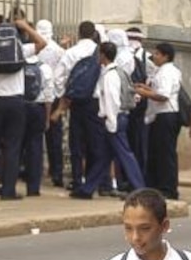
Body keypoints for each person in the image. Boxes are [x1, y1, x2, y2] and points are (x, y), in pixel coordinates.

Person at [0, 19, 46, 200]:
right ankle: (8, 190)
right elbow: (42, 43)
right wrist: (26, 26)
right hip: (16, 103)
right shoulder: (20, 49)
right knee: (13, 147)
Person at [70, 42, 144, 199]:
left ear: (103, 55)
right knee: (104, 156)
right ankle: (87, 188)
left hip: (114, 118)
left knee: (124, 154)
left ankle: (139, 188)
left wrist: (111, 123)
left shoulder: (109, 76)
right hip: (117, 117)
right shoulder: (119, 72)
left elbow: (112, 101)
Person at [53, 21, 103, 194]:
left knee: (76, 142)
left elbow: (58, 78)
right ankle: (91, 180)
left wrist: (65, 96)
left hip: (76, 102)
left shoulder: (71, 53)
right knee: (94, 142)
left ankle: (77, 179)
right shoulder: (100, 52)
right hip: (95, 102)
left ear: (79, 33)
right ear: (94, 34)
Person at [135, 42, 183, 200]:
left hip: (166, 115)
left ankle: (168, 188)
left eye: (157, 54)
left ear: (165, 56)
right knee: (157, 152)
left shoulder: (167, 72)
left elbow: (163, 95)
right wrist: (146, 88)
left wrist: (143, 93)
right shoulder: (163, 71)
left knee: (165, 153)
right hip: (159, 115)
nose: (154, 57)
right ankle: (156, 185)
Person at [36, 19, 66, 187]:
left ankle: (33, 170)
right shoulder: (59, 50)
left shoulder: (34, 46)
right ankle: (57, 173)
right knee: (55, 138)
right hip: (53, 96)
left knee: (34, 136)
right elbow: (62, 76)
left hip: (35, 96)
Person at [22, 52, 55, 197]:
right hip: (38, 108)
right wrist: (47, 118)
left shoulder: (19, 67)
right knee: (35, 147)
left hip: (21, 107)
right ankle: (33, 187)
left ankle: (8, 183)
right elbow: (49, 96)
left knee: (15, 145)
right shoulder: (45, 68)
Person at [125, 26, 153, 172]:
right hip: (128, 102)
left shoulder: (147, 58)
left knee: (138, 139)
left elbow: (151, 80)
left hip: (141, 104)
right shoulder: (124, 56)